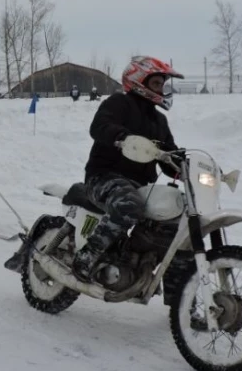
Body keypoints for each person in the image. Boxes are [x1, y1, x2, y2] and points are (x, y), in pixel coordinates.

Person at [70, 56, 183, 283]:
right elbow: (99, 126)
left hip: (141, 185)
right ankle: (88, 256)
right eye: (156, 84)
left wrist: (185, 165)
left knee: (178, 217)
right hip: (103, 177)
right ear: (139, 80)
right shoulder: (118, 103)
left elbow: (168, 157)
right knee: (129, 204)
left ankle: (180, 299)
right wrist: (121, 137)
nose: (161, 89)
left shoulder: (159, 121)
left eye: (163, 84)